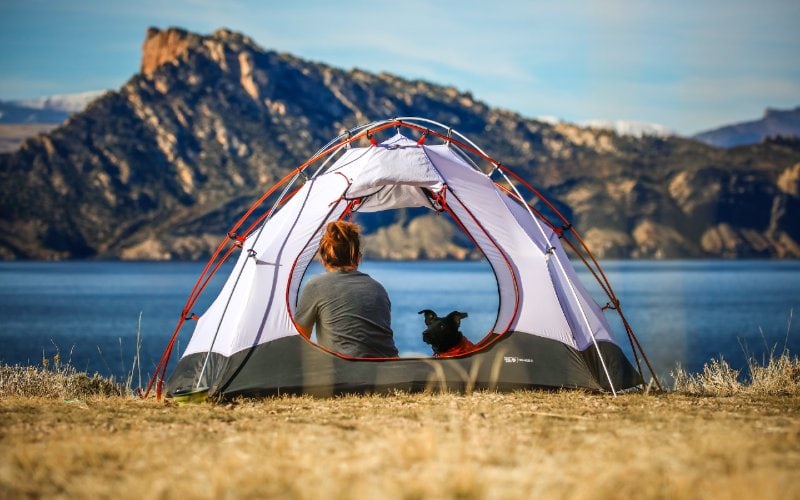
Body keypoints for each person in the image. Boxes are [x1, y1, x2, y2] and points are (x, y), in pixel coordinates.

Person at [295, 220, 398, 358]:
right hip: (390, 371)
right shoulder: (378, 288)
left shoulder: (316, 286)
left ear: (323, 259)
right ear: (358, 258)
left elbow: (301, 340)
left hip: (345, 373)